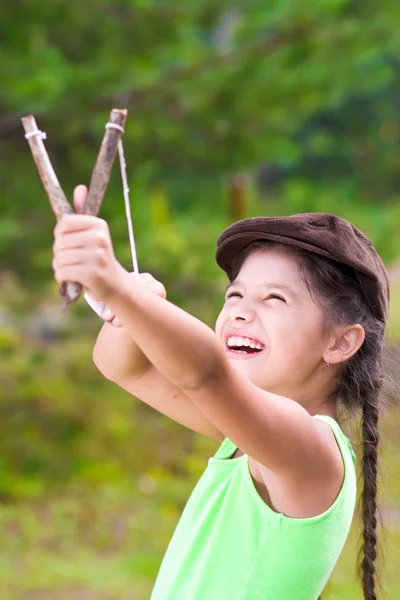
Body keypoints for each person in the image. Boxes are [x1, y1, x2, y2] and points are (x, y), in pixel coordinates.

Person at [52, 185, 392, 600]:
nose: (240, 310)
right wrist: (131, 304)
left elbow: (206, 374)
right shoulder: (245, 439)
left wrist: (119, 290)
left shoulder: (312, 450)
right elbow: (122, 366)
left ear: (340, 343)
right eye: (235, 293)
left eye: (274, 298)